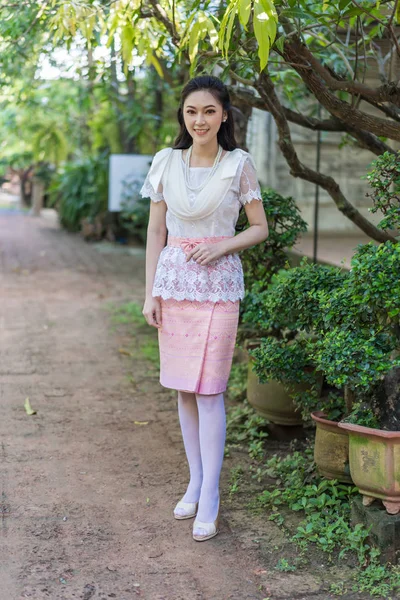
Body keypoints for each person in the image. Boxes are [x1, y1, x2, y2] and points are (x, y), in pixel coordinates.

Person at [140, 75, 268, 542]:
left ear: (224, 116)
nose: (200, 120)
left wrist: (221, 247)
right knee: (183, 390)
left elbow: (259, 228)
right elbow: (156, 232)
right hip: (173, 284)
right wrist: (150, 292)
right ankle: (194, 481)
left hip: (218, 286)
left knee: (210, 390)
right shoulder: (165, 162)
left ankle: (210, 494)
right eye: (192, 111)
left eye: (209, 111)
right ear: (183, 115)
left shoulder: (239, 165)